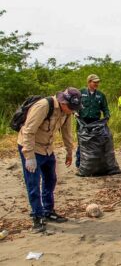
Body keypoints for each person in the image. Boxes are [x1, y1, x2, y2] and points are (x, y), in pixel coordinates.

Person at [17, 87, 82, 233]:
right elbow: (28, 131)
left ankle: (48, 211)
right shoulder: (43, 106)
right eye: (70, 107)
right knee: (33, 183)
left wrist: (69, 152)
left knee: (50, 179)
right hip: (31, 147)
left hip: (47, 148)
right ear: (62, 101)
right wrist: (29, 156)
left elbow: (67, 132)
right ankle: (37, 217)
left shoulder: (67, 112)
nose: (72, 111)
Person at [75, 74, 110, 168]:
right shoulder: (80, 92)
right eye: (95, 82)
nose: (97, 84)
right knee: (82, 142)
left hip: (95, 122)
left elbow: (105, 108)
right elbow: (74, 104)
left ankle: (93, 163)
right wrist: (75, 112)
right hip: (82, 122)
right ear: (89, 82)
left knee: (95, 143)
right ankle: (80, 164)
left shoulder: (100, 95)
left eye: (98, 82)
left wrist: (107, 116)